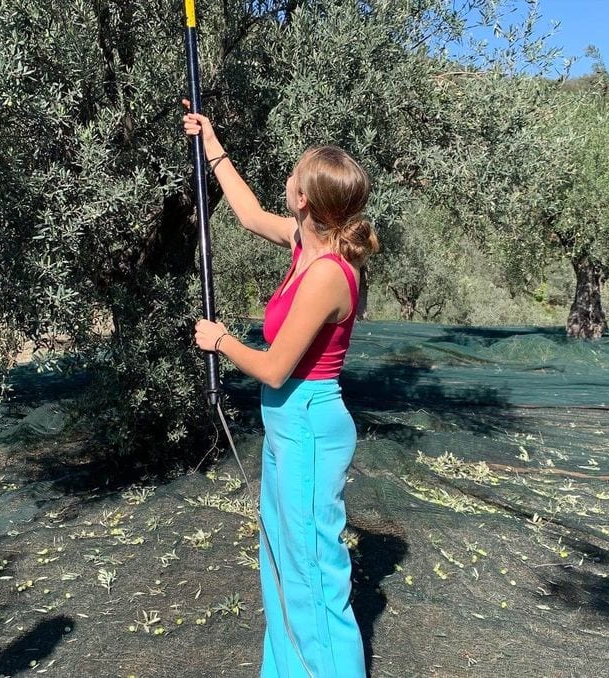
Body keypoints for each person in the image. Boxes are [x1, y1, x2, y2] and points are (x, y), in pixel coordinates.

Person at [184, 105, 378, 678]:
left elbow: (273, 369)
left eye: (292, 176)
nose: (285, 181)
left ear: (304, 199)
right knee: (281, 568)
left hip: (310, 427)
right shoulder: (305, 243)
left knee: (314, 578)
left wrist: (220, 341)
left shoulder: (326, 275)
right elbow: (245, 215)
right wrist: (213, 143)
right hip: (288, 428)